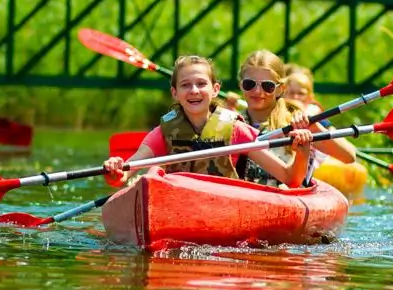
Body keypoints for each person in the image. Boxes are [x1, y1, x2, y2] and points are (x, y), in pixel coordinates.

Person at [102, 55, 315, 189]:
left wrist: (303, 151)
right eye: (186, 85)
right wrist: (115, 170)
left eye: (201, 84)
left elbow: (290, 179)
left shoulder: (237, 132)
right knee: (147, 178)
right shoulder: (161, 133)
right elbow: (120, 179)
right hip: (178, 208)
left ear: (215, 90)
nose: (194, 90)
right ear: (175, 93)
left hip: (226, 209)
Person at [238, 51, 356, 188]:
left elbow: (349, 157)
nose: (257, 91)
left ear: (280, 89)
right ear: (241, 85)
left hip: (285, 198)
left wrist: (314, 129)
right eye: (249, 84)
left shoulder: (294, 119)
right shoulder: (233, 122)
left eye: (267, 86)